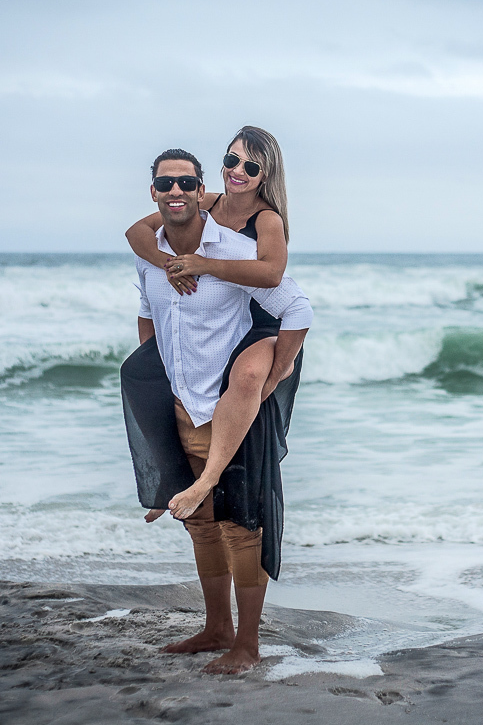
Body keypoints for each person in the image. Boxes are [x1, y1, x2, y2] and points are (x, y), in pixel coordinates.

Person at [120, 147, 311, 674]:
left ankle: (247, 646)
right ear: (153, 192)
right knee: (201, 525)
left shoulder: (233, 249)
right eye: (166, 185)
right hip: (182, 404)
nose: (175, 192)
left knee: (240, 527)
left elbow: (296, 306)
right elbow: (146, 312)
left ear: (201, 190)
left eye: (186, 184)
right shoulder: (149, 253)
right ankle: (215, 628)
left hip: (228, 408)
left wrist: (275, 374)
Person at [126, 126, 292, 526]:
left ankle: (208, 479)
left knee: (250, 377)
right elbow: (137, 232)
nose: (237, 170)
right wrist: (172, 267)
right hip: (206, 313)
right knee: (137, 373)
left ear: (265, 175)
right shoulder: (210, 201)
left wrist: (200, 265)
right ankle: (167, 484)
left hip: (257, 320)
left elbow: (271, 275)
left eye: (250, 166)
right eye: (231, 159)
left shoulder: (267, 219)